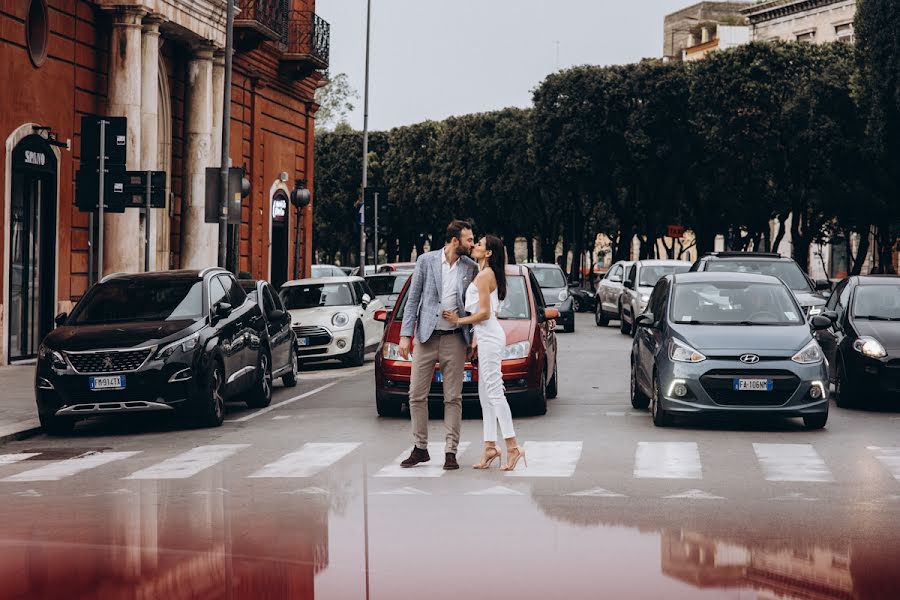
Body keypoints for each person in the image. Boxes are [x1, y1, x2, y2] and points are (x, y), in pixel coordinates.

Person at [398, 220, 479, 470]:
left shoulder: (471, 267)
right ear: (455, 241)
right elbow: (413, 300)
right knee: (416, 394)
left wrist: (473, 335)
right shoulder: (426, 261)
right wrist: (405, 335)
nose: (472, 243)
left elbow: (475, 305)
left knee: (453, 397)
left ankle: (450, 451)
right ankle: (420, 448)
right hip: (426, 337)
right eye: (468, 239)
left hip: (455, 338)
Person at [444, 235, 527, 471]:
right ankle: (490, 446)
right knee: (485, 395)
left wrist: (459, 321)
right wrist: (475, 340)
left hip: (490, 337)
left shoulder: (484, 276)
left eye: (479, 244)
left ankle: (512, 446)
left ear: (488, 253)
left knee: (494, 392)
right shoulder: (487, 274)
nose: (475, 246)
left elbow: (484, 314)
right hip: (486, 337)